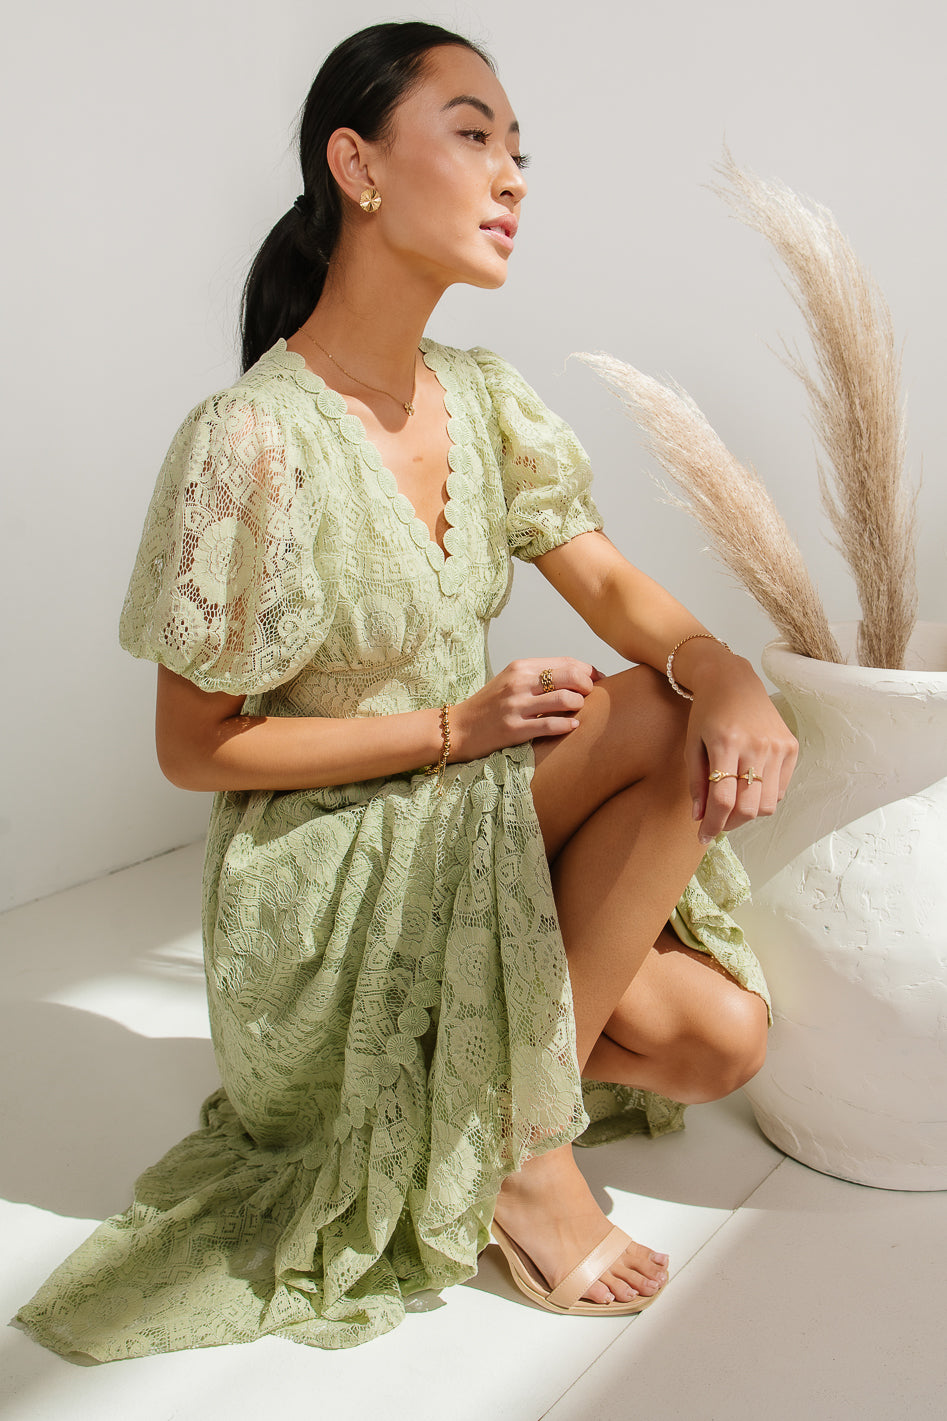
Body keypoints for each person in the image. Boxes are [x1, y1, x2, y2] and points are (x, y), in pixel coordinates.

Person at [17, 21, 796, 1357]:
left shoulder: (484, 401)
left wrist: (729, 669)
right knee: (658, 719)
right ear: (358, 165)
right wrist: (455, 726)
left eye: (520, 148)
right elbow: (194, 750)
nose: (513, 175)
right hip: (320, 885)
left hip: (469, 821)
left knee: (718, 1041)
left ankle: (470, 1111)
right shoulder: (250, 439)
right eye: (473, 133)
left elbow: (612, 588)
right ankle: (522, 1155)